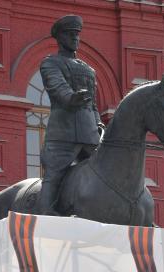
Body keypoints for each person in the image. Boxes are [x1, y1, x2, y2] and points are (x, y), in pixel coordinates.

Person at [39, 15, 104, 215]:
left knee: (107, 172)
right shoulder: (51, 63)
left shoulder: (88, 70)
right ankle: (45, 213)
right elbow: (57, 88)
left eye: (77, 34)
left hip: (90, 135)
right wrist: (71, 97)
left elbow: (92, 104)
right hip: (63, 134)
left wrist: (98, 123)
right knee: (54, 176)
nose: (75, 38)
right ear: (59, 38)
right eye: (70, 34)